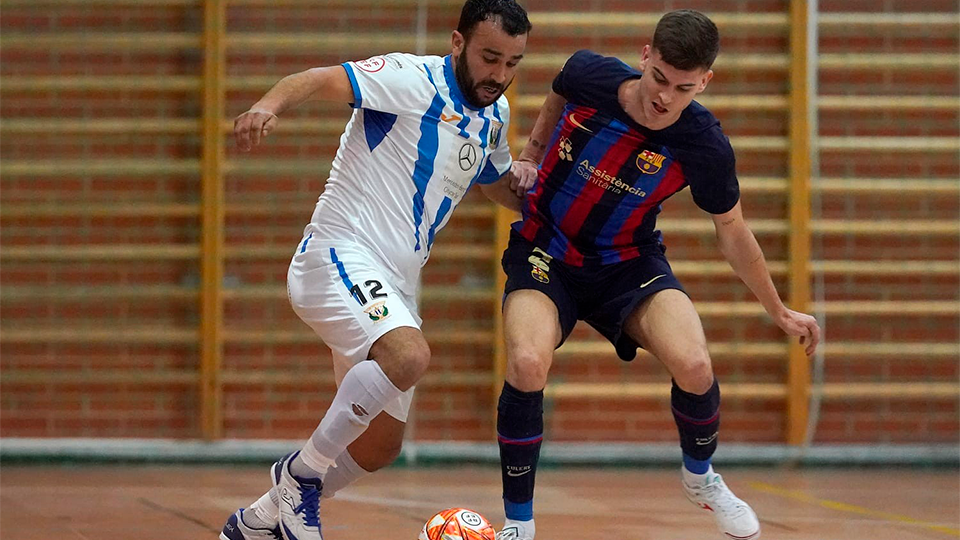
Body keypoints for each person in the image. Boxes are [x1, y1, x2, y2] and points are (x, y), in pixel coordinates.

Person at [493, 9, 821, 540]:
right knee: (528, 361)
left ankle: (700, 477)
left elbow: (732, 230)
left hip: (627, 261)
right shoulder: (588, 75)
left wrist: (778, 310)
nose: (665, 97)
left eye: (684, 88)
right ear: (645, 56)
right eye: (660, 79)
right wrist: (531, 150)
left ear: (705, 82)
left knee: (694, 362)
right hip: (545, 249)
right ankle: (519, 524)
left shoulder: (704, 144)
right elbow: (557, 92)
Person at [220, 2, 531, 539]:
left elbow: (497, 183)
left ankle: (259, 520)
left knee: (380, 445)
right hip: (338, 254)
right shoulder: (412, 79)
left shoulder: (495, 115)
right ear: (458, 43)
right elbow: (318, 78)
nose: (499, 76)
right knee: (408, 355)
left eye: (512, 63)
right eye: (489, 58)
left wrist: (551, 193)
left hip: (395, 286)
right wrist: (266, 106)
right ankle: (299, 477)